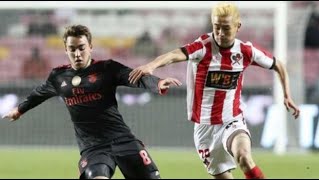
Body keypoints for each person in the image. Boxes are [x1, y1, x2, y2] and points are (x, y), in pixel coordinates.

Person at [128, 2, 300, 179]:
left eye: (226, 28)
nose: (220, 33)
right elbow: (174, 55)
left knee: (244, 157)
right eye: (216, 27)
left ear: (237, 27)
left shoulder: (245, 51)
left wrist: (287, 95)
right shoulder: (203, 46)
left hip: (231, 120)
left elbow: (278, 64)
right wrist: (151, 65)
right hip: (204, 129)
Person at [2, 24, 182, 179]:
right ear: (66, 49)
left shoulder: (107, 68)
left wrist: (158, 83)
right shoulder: (58, 77)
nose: (77, 53)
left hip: (123, 141)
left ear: (90, 47)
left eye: (81, 47)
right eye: (72, 49)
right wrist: (19, 110)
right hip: (93, 148)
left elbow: (134, 77)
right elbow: (38, 94)